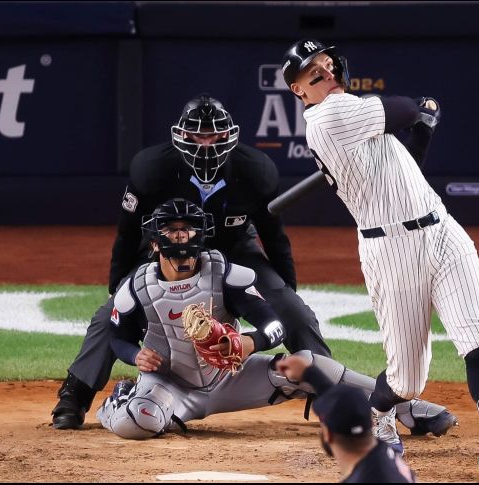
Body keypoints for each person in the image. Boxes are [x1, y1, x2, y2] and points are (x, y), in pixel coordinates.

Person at [281, 39, 479, 476]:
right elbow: (401, 108)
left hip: (442, 232)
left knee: (477, 338)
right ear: (299, 91)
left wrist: (422, 130)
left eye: (328, 65)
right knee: (406, 381)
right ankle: (378, 412)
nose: (326, 74)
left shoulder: (354, 117)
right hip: (391, 251)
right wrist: (421, 110)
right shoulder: (329, 115)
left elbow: (406, 175)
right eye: (314, 73)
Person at [51, 93, 331, 430]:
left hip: (235, 250)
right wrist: (120, 288)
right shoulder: (151, 168)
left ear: (230, 136)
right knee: (107, 315)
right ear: (181, 136)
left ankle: (329, 392)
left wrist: (285, 292)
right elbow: (127, 234)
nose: (206, 145)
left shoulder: (256, 171)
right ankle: (75, 394)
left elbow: (274, 236)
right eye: (198, 136)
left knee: (293, 310)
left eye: (214, 136)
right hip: (168, 252)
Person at [96, 198, 454, 447]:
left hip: (230, 378)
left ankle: (405, 407)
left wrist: (248, 342)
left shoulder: (224, 274)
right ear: (156, 241)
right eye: (173, 231)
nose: (181, 237)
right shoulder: (137, 286)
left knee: (307, 365)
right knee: (140, 422)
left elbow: (274, 325)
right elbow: (117, 337)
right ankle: (117, 405)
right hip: (170, 386)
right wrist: (134, 356)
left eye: (187, 230)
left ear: (199, 234)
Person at [277, 354, 415, 483]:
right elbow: (345, 403)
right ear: (372, 423)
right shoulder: (382, 454)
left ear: (328, 435)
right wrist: (310, 374)